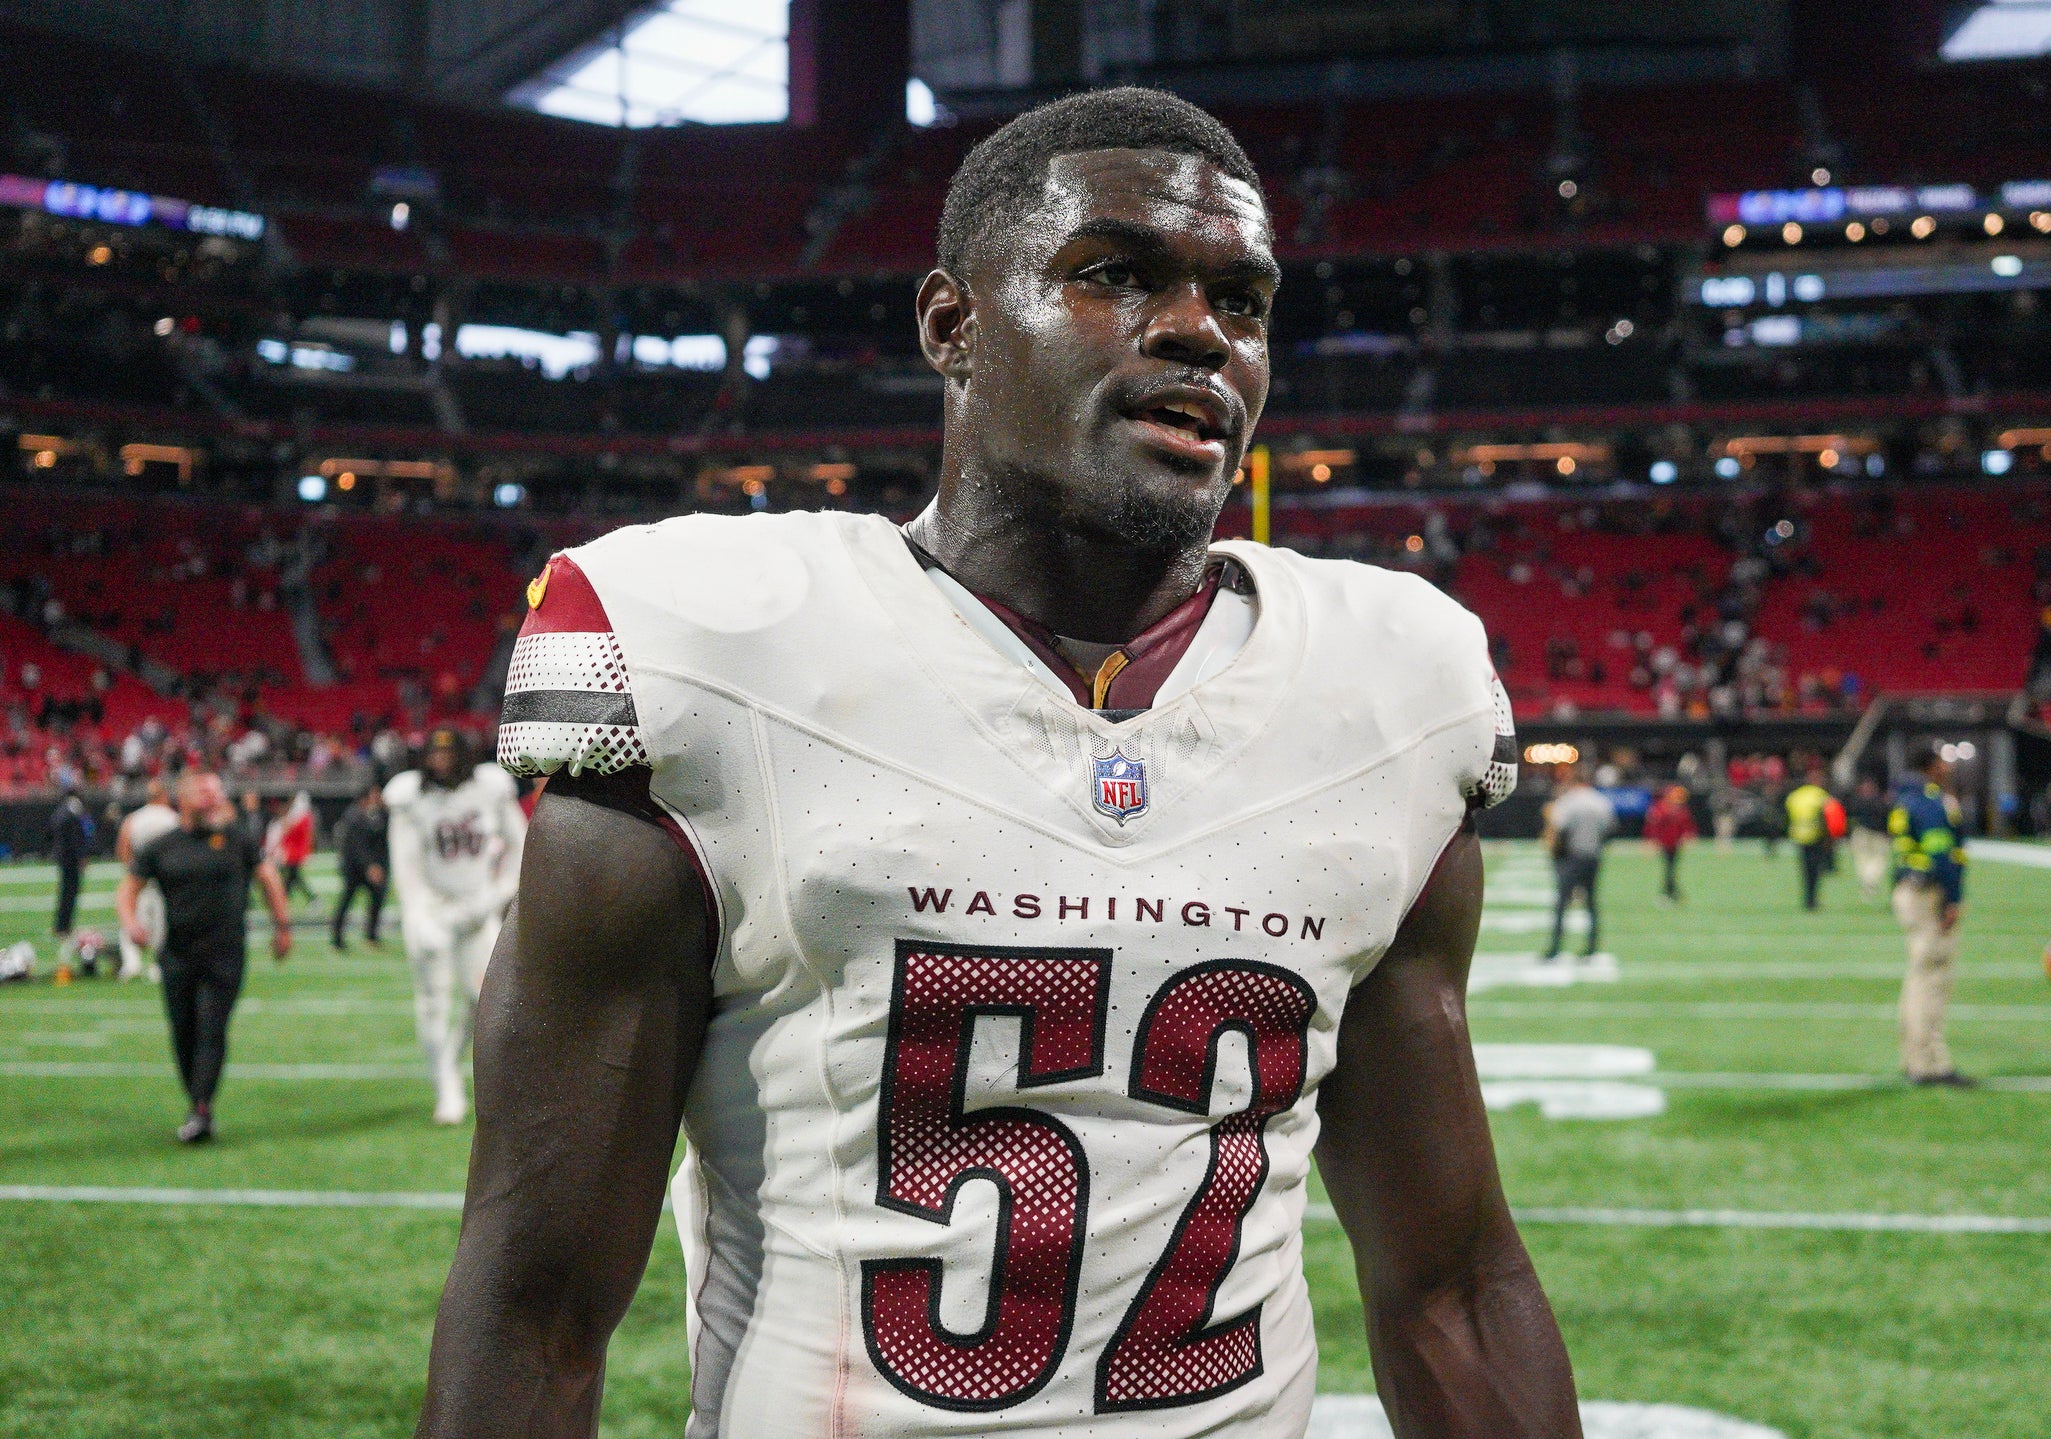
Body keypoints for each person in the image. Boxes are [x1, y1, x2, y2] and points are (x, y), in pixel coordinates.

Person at [416, 88, 1577, 1439]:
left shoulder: (1386, 685)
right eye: (1114, 273)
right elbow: (533, 1303)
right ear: (951, 323)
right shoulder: (717, 654)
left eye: (1242, 300)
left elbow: (1450, 1281)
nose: (1199, 330)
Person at [116, 771, 293, 1142]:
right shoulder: (163, 845)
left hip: (225, 953)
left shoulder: (236, 838)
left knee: (212, 1026)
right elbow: (129, 887)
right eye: (204, 791)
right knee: (184, 1033)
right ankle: (198, 1099)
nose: (214, 797)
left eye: (216, 790)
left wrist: (282, 926)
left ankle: (201, 1108)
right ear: (183, 798)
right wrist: (131, 924)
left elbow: (268, 878)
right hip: (177, 953)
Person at [385, 728, 526, 1125]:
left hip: (477, 908)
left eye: (449, 753)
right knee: (433, 1002)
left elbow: (519, 842)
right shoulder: (411, 797)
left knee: (484, 999)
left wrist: (498, 892)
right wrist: (418, 914)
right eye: (435, 752)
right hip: (435, 910)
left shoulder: (489, 789)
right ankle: (445, 1086)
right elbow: (406, 862)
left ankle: (449, 1063)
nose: (441, 761)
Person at [1890, 745, 1971, 1087]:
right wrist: (1952, 899)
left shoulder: (1904, 797)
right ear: (1931, 765)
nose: (1948, 765)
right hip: (1929, 895)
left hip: (1910, 890)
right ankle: (1930, 1064)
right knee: (1933, 979)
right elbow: (1942, 854)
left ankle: (1913, 1057)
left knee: (1918, 977)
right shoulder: (1930, 801)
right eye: (1943, 759)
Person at [1544, 765, 1617, 959]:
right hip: (1593, 857)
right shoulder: (1601, 801)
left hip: (1572, 857)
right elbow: (1610, 828)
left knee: (1561, 903)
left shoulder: (1569, 801)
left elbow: (1558, 827)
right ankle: (1592, 946)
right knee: (1591, 903)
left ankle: (1555, 947)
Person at [114, 778, 180, 981]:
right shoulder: (173, 818)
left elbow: (123, 849)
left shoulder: (134, 818)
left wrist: (134, 870)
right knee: (165, 923)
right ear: (165, 796)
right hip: (167, 879)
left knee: (133, 919)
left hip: (141, 879)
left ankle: (131, 964)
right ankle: (159, 965)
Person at [330, 784, 391, 951]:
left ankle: (370, 936)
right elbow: (357, 846)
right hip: (354, 869)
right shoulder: (355, 816)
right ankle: (337, 938)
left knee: (376, 899)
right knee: (347, 901)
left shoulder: (375, 814)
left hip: (366, 867)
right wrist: (369, 866)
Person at [1785, 758, 1836, 911]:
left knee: (1805, 870)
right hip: (1816, 837)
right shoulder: (1821, 796)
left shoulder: (1796, 795)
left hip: (1799, 836)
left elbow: (1787, 814)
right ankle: (1812, 900)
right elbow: (1830, 818)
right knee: (1815, 871)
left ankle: (1808, 899)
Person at [48, 774, 93, 945]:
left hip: (64, 856)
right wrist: (81, 856)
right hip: (70, 858)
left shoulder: (62, 810)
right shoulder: (73, 809)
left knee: (66, 892)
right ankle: (63, 927)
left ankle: (62, 926)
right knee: (69, 892)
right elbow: (76, 836)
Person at [1643, 783, 1696, 905]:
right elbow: (1653, 827)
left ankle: (1672, 892)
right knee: (1669, 869)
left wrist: (1688, 835)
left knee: (1671, 869)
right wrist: (1652, 841)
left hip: (1675, 844)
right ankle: (1669, 893)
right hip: (1665, 844)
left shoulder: (1680, 810)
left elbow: (1687, 825)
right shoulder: (1660, 809)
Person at [1846, 774, 1893, 902]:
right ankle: (1870, 880)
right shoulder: (1882, 801)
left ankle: (1868, 880)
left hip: (1868, 834)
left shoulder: (1858, 800)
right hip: (1873, 834)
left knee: (1868, 859)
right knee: (1872, 860)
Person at [269, 791, 317, 907]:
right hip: (294, 851)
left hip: (295, 852)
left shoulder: (302, 818)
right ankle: (286, 898)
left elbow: (289, 830)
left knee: (292, 876)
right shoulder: (304, 818)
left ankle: (285, 899)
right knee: (293, 876)